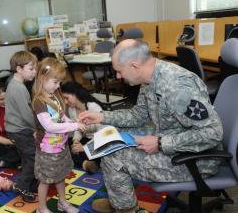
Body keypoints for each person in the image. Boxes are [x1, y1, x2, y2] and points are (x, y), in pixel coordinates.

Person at [79, 39, 224, 213]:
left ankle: (123, 208)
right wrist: (102, 116)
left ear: (134, 66)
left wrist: (160, 143)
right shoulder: (149, 78)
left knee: (114, 157)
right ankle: (120, 201)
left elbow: (213, 133)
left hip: (198, 157)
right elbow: (137, 115)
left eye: (119, 71)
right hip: (172, 137)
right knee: (115, 136)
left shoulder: (177, 88)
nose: (118, 77)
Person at [32, 58, 85, 213]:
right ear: (42, 78)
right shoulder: (39, 102)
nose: (58, 86)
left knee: (61, 175)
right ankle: (41, 207)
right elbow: (49, 126)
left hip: (60, 146)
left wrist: (72, 121)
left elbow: (61, 117)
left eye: (59, 82)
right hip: (47, 150)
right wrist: (73, 125)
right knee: (45, 180)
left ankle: (63, 202)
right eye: (55, 82)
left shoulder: (54, 95)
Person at [5, 51, 38, 202]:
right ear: (19, 69)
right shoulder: (19, 88)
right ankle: (21, 185)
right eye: (31, 68)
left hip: (15, 129)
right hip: (20, 130)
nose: (35, 72)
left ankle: (30, 184)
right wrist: (37, 128)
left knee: (26, 157)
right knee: (34, 158)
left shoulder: (14, 83)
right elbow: (26, 114)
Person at [61, 81, 103, 174]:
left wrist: (85, 147)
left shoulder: (93, 107)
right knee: (63, 145)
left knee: (101, 150)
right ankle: (86, 163)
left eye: (67, 98)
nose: (65, 102)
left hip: (98, 141)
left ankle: (88, 161)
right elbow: (78, 129)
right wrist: (76, 141)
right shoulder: (72, 109)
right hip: (85, 139)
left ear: (75, 94)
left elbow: (102, 134)